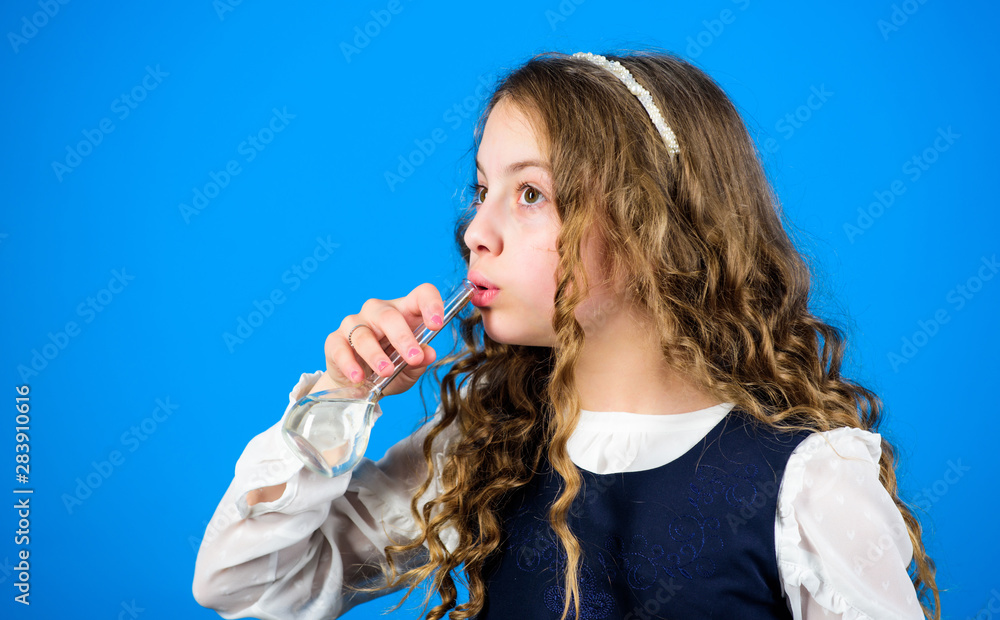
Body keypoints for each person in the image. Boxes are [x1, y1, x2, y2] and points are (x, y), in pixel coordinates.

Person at [192, 49, 940, 620]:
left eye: (529, 193)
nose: (476, 231)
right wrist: (338, 402)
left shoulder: (808, 486)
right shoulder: (483, 449)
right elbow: (246, 585)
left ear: (653, 226)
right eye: (481, 190)